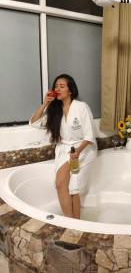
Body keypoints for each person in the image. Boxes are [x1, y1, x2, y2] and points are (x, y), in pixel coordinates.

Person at [29, 74, 97, 219]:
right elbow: (34, 122)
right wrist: (44, 104)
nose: (57, 89)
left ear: (70, 90)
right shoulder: (54, 110)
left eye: (62, 86)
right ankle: (74, 222)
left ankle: (71, 223)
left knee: (66, 185)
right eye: (56, 86)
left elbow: (89, 136)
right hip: (64, 149)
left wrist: (78, 152)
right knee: (69, 187)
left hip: (83, 149)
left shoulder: (81, 107)